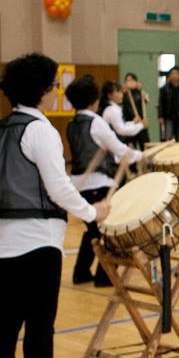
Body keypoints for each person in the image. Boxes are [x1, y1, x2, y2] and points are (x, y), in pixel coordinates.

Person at [0, 53, 109, 358]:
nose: (54, 90)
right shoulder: (40, 131)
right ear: (41, 90)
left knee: (8, 317)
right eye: (52, 85)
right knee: (40, 322)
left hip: (2, 239)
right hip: (36, 240)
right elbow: (56, 188)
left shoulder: (2, 127)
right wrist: (92, 212)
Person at [64, 76, 141, 287]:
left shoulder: (71, 124)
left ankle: (81, 273)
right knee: (110, 230)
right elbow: (120, 149)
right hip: (99, 182)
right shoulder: (96, 122)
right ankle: (104, 276)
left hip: (80, 184)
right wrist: (142, 156)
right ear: (94, 100)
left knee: (93, 231)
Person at [158, 66, 179, 141]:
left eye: (176, 73)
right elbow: (161, 103)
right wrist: (160, 116)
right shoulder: (164, 89)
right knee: (168, 137)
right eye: (173, 74)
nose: (175, 75)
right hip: (168, 116)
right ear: (170, 75)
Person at [121, 73, 150, 149]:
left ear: (136, 81)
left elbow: (146, 100)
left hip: (141, 122)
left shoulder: (140, 92)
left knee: (145, 146)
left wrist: (141, 90)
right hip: (130, 123)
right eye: (127, 80)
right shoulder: (123, 94)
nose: (129, 82)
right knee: (131, 147)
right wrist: (123, 90)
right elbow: (120, 102)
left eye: (132, 80)